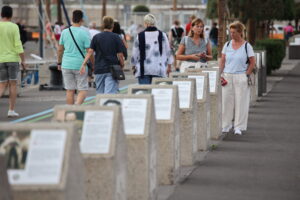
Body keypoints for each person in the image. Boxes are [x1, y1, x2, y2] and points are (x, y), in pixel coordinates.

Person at [219, 21, 256, 135]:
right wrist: (220, 74)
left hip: (241, 76)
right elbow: (223, 60)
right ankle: (226, 125)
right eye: (230, 32)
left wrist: (246, 75)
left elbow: (252, 62)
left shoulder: (247, 46)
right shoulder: (227, 45)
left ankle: (239, 127)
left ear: (240, 32)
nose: (231, 34)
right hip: (227, 76)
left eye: (234, 32)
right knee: (226, 102)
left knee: (241, 102)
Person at [81, 16, 125, 94]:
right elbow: (120, 54)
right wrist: (122, 64)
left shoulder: (96, 37)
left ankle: (100, 106)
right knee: (110, 93)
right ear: (112, 25)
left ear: (103, 25)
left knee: (100, 93)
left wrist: (84, 64)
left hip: (99, 68)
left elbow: (90, 52)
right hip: (112, 69)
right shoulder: (116, 37)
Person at [57, 10, 92, 105]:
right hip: (80, 65)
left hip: (66, 64)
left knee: (69, 90)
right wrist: (90, 64)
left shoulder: (64, 32)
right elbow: (90, 51)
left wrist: (59, 63)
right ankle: (76, 107)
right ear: (82, 20)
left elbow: (60, 49)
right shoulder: (84, 33)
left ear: (72, 19)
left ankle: (70, 111)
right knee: (82, 89)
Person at [131, 14, 173, 84]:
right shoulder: (162, 35)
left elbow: (135, 53)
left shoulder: (140, 35)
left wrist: (133, 65)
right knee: (157, 93)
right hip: (158, 69)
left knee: (144, 93)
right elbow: (168, 51)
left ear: (146, 23)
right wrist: (169, 66)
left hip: (143, 69)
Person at [0, 5, 26, 117]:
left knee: (1, 85)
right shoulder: (14, 26)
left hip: (1, 59)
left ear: (1, 14)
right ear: (11, 15)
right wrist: (23, 60)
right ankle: (11, 110)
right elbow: (18, 45)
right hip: (13, 60)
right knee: (13, 84)